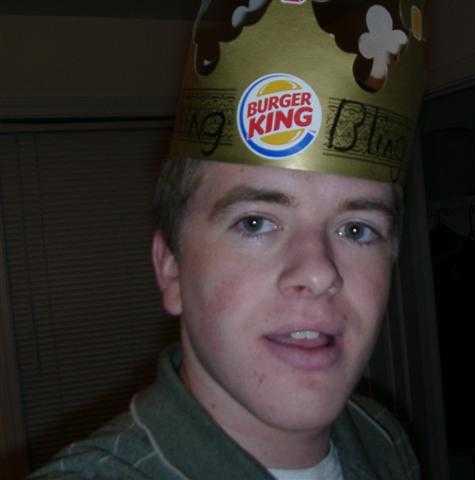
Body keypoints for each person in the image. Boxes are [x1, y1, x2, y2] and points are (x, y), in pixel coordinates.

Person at [30, 1, 426, 478]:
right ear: (171, 268)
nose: (319, 272)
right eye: (255, 223)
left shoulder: (382, 438)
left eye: (356, 229)